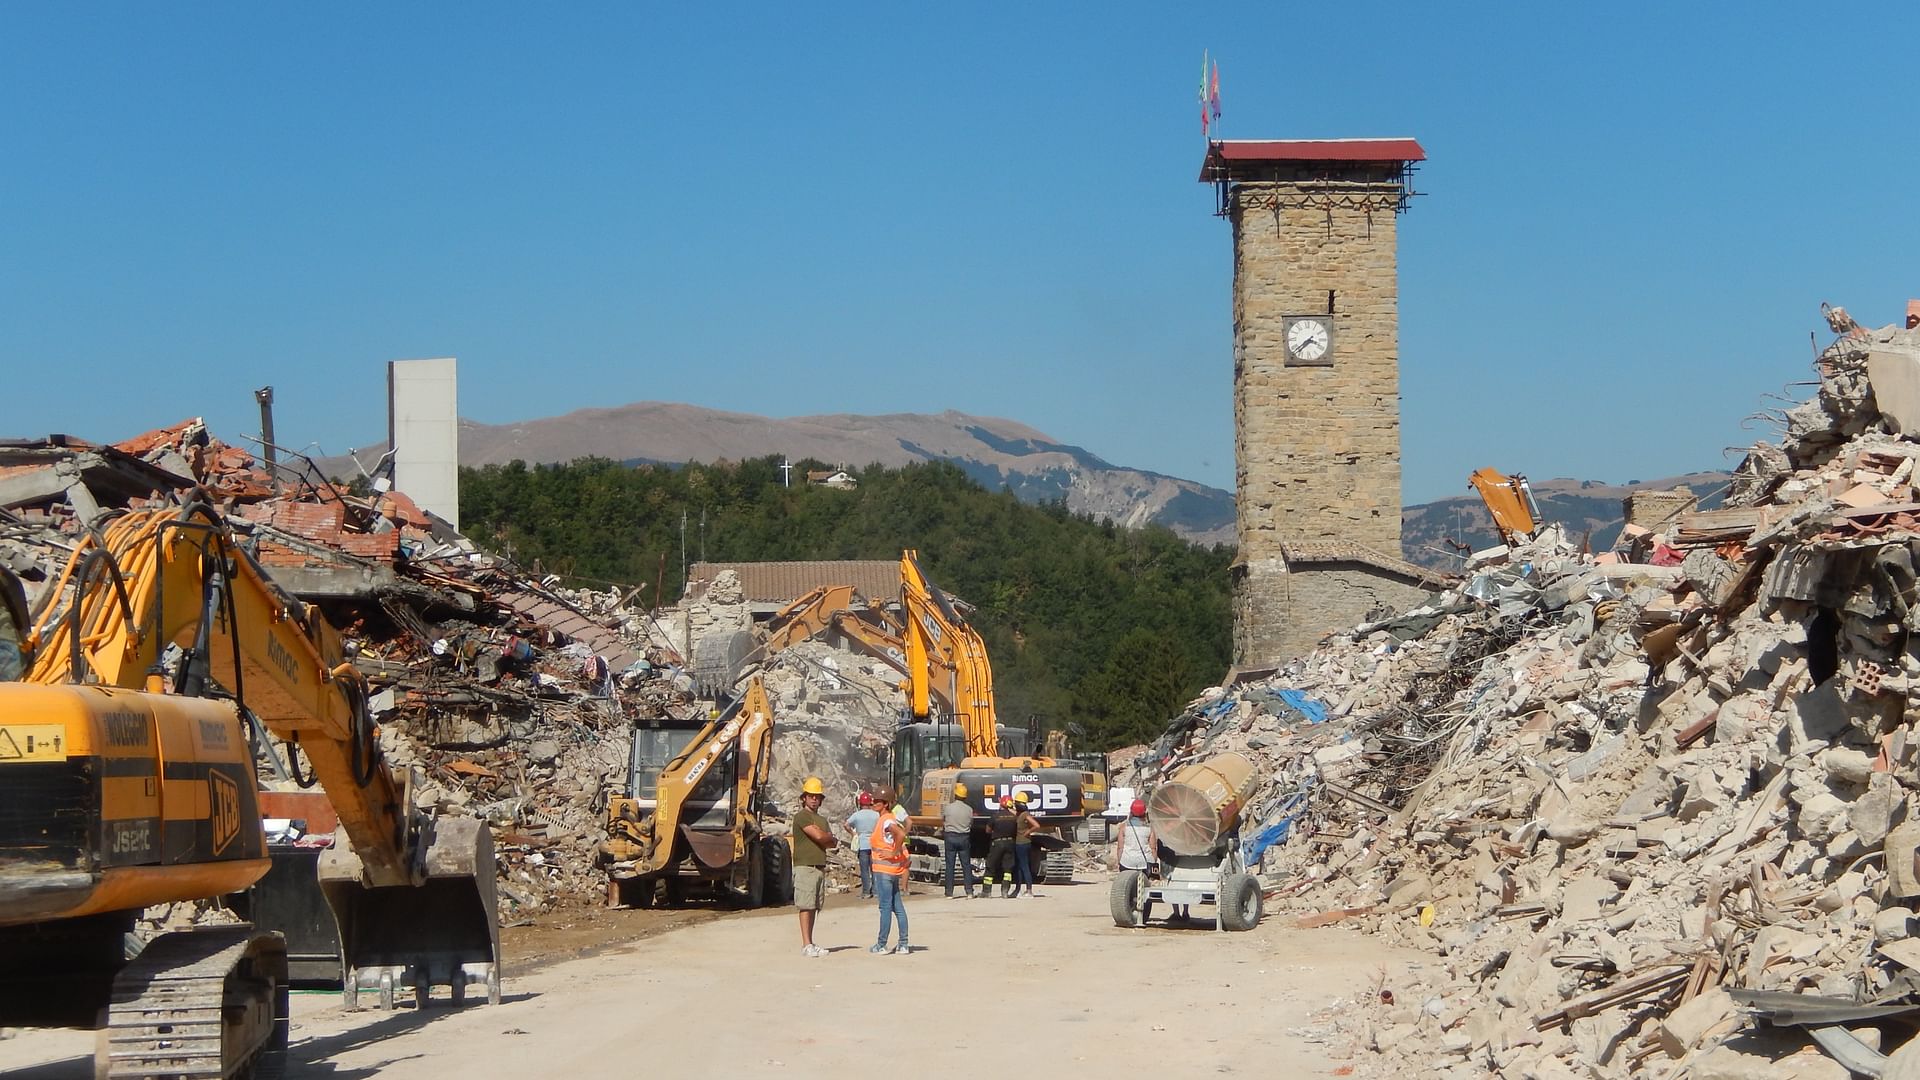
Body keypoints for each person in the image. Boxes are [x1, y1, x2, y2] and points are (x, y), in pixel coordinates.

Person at [791, 776, 837, 957]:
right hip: (805, 866)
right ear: (804, 797)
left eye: (817, 796)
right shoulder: (801, 816)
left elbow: (830, 842)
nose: (814, 799)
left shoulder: (822, 820)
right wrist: (826, 836)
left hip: (819, 866)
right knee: (806, 905)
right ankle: (806, 944)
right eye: (811, 796)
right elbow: (820, 837)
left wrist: (826, 837)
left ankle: (811, 942)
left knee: (815, 906)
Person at [870, 803, 911, 954]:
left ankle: (881, 944)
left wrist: (894, 853)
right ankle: (903, 944)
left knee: (885, 907)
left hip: (884, 871)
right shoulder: (888, 819)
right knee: (898, 907)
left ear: (885, 803)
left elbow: (900, 834)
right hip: (892, 871)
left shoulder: (887, 820)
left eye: (877, 801)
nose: (874, 803)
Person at [942, 782, 976, 899]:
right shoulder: (969, 809)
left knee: (950, 865)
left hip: (950, 837)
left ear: (955, 795)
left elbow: (944, 820)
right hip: (964, 837)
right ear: (965, 796)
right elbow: (971, 823)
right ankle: (969, 891)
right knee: (966, 865)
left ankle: (949, 892)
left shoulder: (948, 808)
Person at [846, 792, 880, 899]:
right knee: (874, 869)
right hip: (874, 845)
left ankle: (866, 892)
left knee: (864, 870)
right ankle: (876, 892)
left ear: (860, 802)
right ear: (870, 802)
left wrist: (853, 833)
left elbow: (846, 824)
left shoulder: (857, 815)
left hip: (863, 845)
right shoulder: (876, 814)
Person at [982, 795, 1017, 898]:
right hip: (1010, 843)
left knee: (990, 866)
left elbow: (987, 830)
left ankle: (986, 892)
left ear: (1001, 803)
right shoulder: (1014, 817)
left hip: (997, 843)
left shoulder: (995, 816)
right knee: (1008, 869)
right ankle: (1005, 891)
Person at [1011, 791, 1041, 898]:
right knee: (1019, 867)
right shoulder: (1020, 814)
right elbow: (1013, 812)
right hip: (1020, 843)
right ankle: (1018, 889)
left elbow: (1036, 825)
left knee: (1024, 867)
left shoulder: (1025, 815)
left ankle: (1029, 891)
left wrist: (1028, 832)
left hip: (1022, 843)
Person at [1114, 798, 1154, 876]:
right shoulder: (1149, 828)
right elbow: (1153, 848)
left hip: (1127, 862)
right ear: (1145, 812)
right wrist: (1153, 863)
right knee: (1143, 886)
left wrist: (1119, 861)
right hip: (1145, 863)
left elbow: (1120, 847)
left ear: (1131, 811)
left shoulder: (1124, 827)